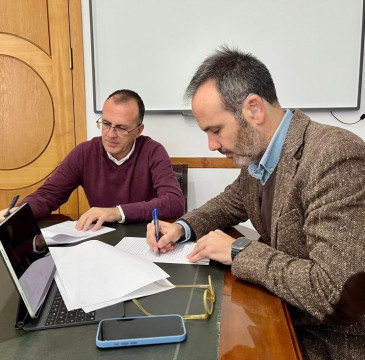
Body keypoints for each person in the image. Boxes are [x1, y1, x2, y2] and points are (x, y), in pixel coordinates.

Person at [146, 47, 365, 359]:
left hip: (328, 341)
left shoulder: (334, 156)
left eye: (216, 130)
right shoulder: (258, 158)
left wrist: (239, 251)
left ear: (254, 109)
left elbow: (335, 292)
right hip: (281, 313)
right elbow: (228, 203)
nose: (211, 145)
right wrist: (181, 227)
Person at [0, 89, 185, 230]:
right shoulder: (84, 152)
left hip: (143, 240)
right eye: (106, 123)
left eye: (121, 127)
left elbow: (174, 203)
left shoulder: (153, 151)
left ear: (139, 130)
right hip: (100, 239)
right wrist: (21, 212)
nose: (110, 134)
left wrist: (116, 212)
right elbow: (49, 194)